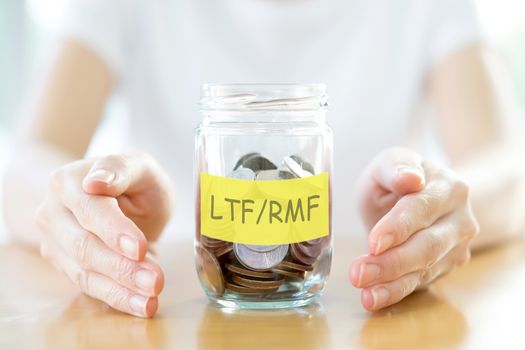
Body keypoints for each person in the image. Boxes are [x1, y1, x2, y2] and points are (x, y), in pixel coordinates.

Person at [2, 0, 525, 318]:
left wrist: (433, 202)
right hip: (184, 309)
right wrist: (86, 201)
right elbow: (22, 165)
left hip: (359, 314)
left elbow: (507, 166)